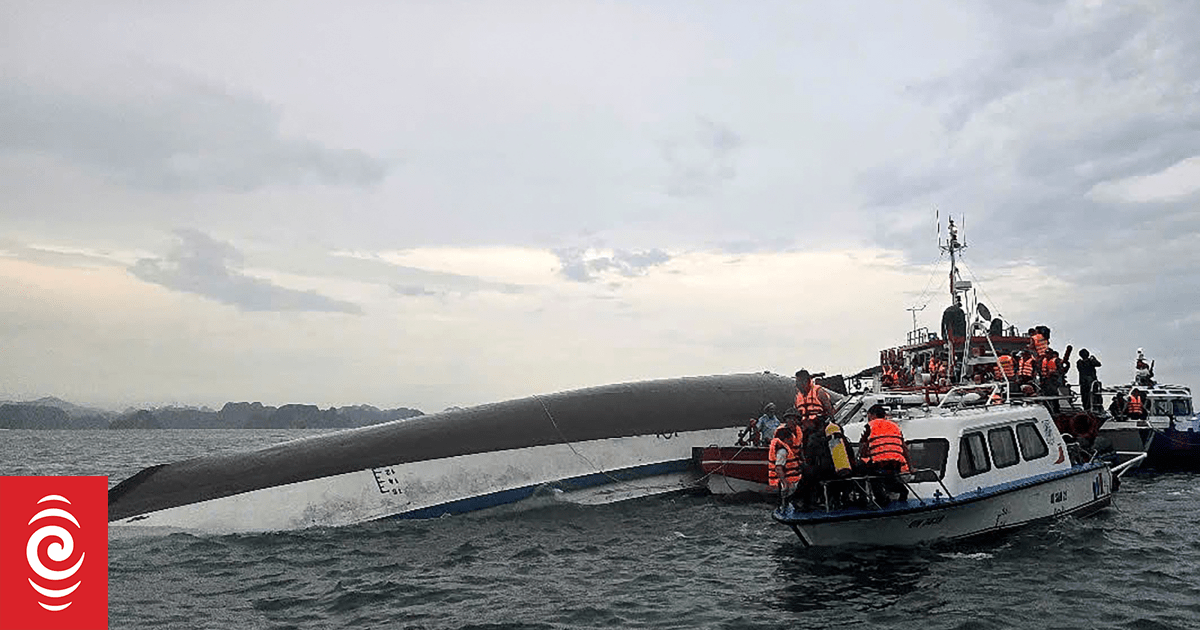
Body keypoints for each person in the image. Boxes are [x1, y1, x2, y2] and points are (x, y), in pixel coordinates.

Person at [858, 404, 910, 505]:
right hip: (896, 462)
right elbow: (904, 447)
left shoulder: (870, 426)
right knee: (889, 478)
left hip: (879, 462)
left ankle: (868, 499)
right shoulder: (895, 426)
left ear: (872, 415)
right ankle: (903, 492)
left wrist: (861, 458)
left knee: (866, 473)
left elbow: (863, 446)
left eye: (868, 416)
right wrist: (910, 466)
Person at [768, 413, 803, 506]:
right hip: (787, 481)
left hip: (793, 478)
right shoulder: (782, 451)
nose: (792, 441)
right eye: (790, 439)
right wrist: (785, 483)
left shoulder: (787, 449)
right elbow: (778, 468)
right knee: (786, 498)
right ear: (785, 439)